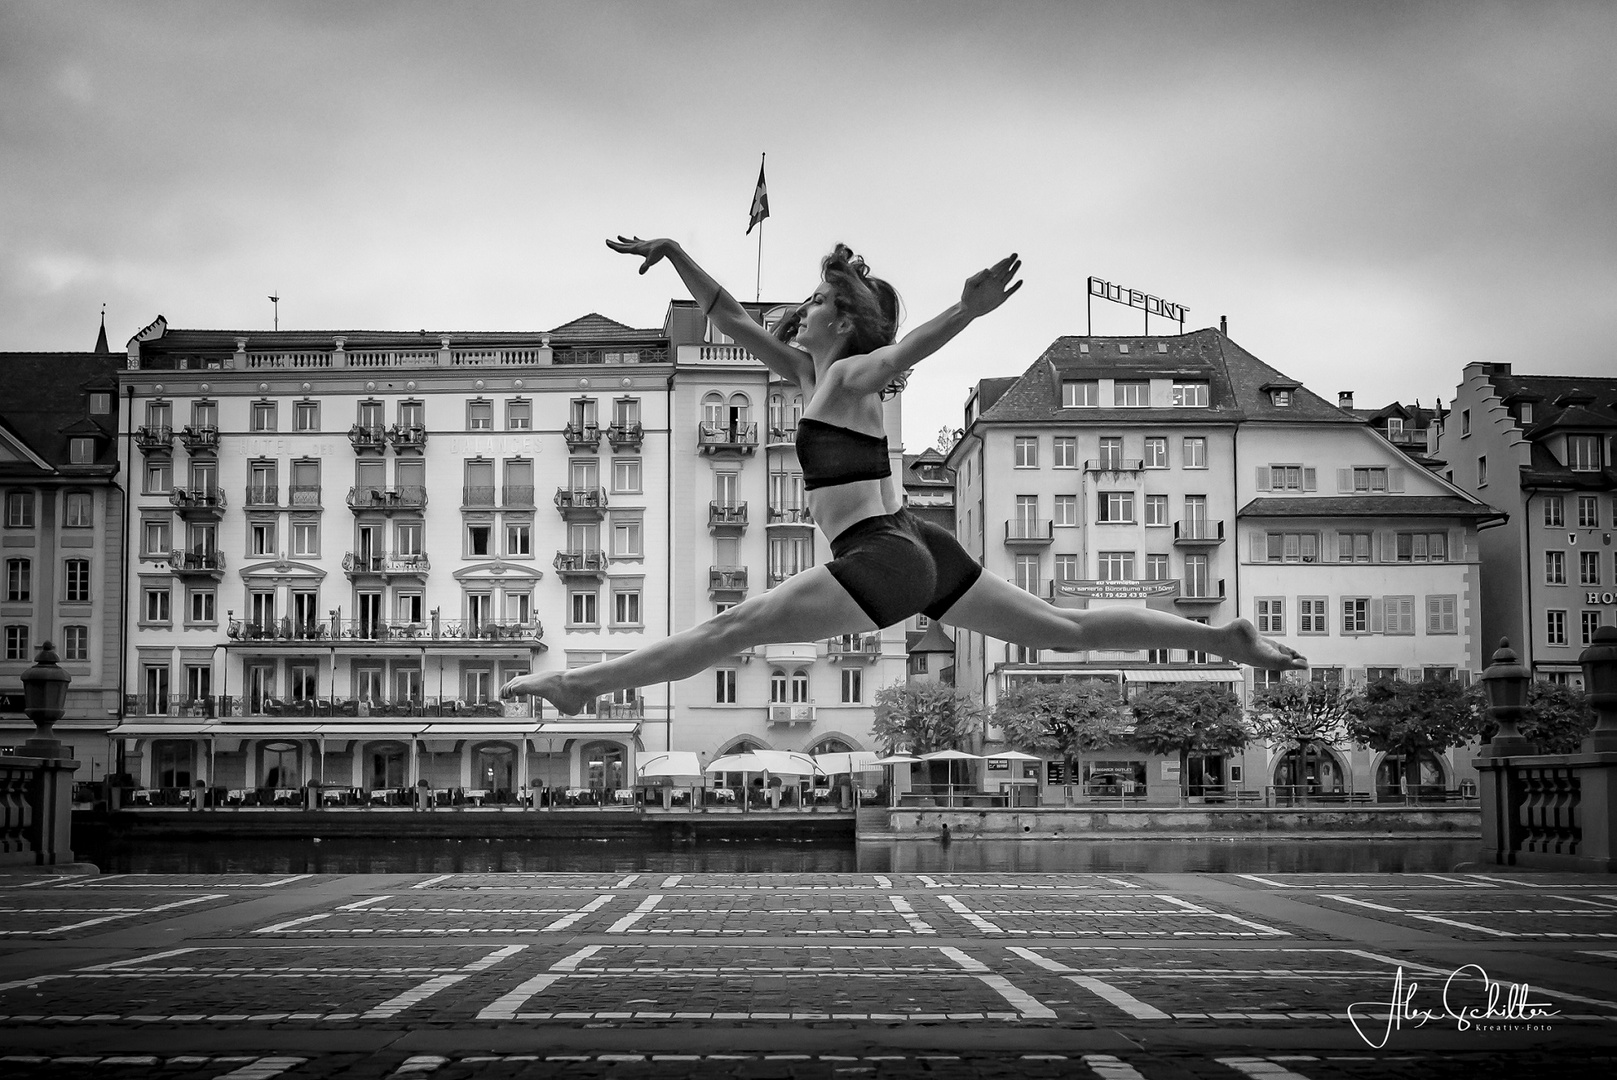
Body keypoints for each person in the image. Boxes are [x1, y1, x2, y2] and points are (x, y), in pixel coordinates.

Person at [503, 237, 1305, 715]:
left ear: (841, 320)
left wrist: (965, 310)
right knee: (1067, 630)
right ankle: (1221, 639)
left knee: (729, 630)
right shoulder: (803, 371)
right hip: (911, 541)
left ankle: (586, 686)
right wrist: (674, 250)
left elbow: (900, 353)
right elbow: (733, 318)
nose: (802, 307)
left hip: (882, 552)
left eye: (816, 299)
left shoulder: (851, 376)